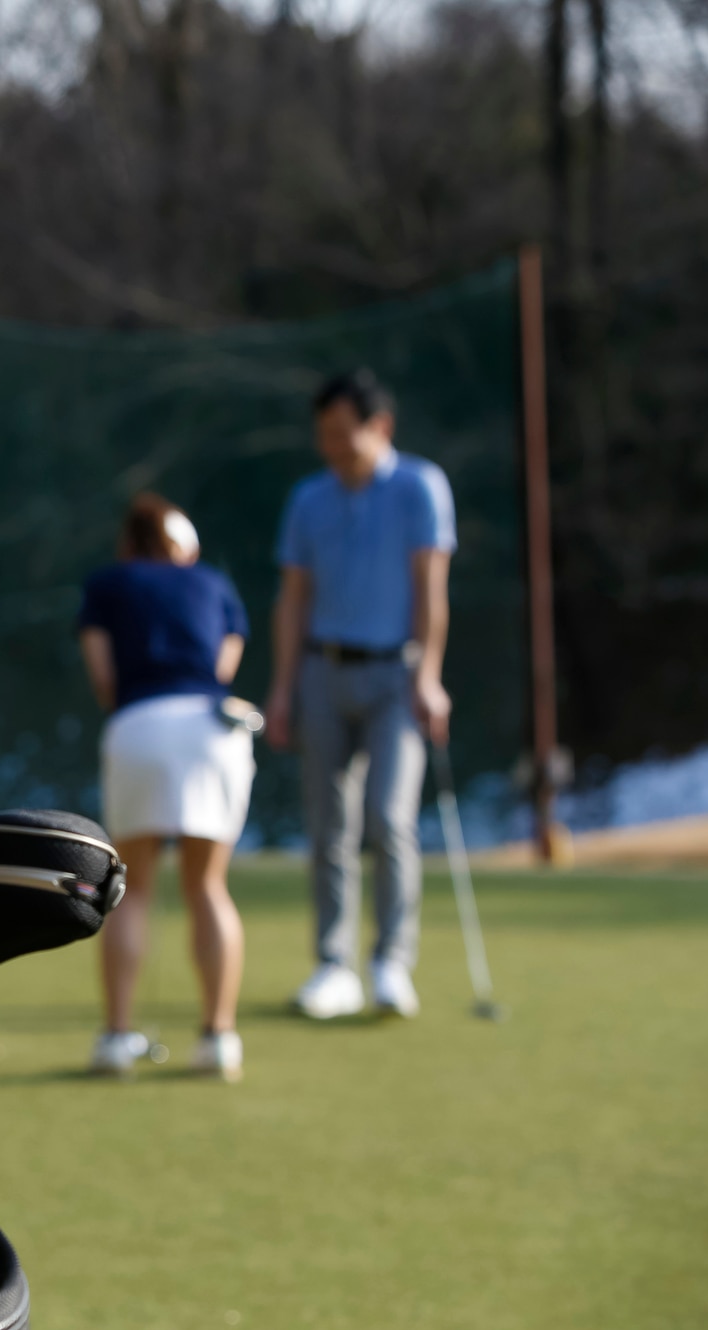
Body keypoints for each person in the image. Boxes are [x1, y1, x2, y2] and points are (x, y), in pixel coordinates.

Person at [264, 368, 454, 1021]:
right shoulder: (308, 498)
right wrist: (282, 688)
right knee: (328, 825)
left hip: (396, 676)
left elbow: (431, 589)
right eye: (324, 434)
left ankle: (391, 962)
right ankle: (333, 964)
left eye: (344, 432)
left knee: (389, 818)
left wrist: (429, 675)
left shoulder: (420, 486)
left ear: (381, 427)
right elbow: (293, 598)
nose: (333, 445)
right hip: (321, 670)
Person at [78, 494, 255, 1081]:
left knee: (133, 886)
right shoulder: (214, 583)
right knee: (207, 884)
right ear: (183, 544)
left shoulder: (106, 584)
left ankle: (116, 1038)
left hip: (140, 727)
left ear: (129, 543)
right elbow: (223, 668)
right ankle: (218, 1039)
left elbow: (105, 679)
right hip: (214, 730)